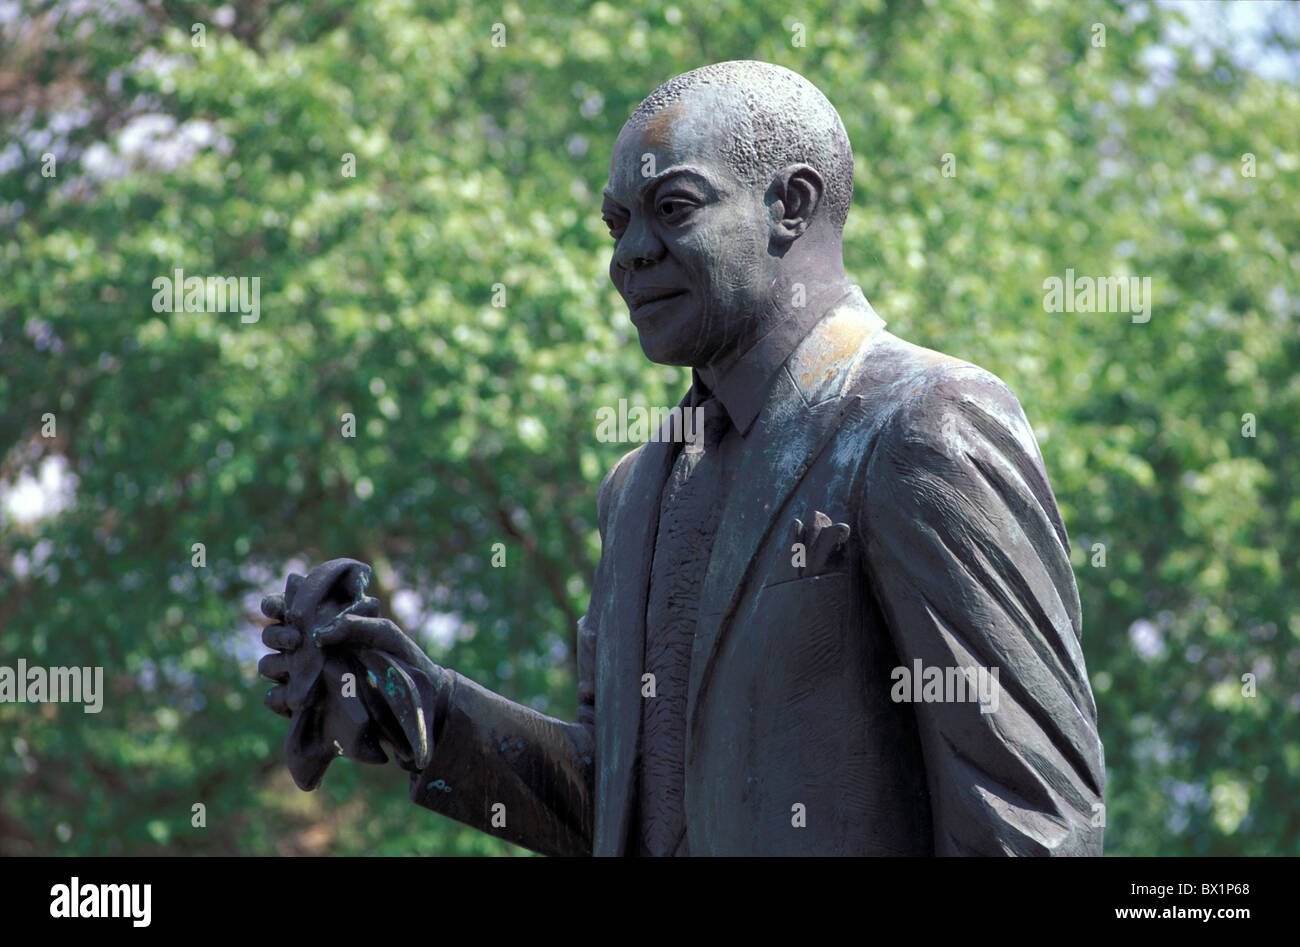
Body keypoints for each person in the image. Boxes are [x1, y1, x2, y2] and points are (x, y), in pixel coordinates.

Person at [260, 60, 1105, 856]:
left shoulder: (925, 422)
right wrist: (418, 707)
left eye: (673, 209)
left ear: (791, 204)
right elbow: (623, 806)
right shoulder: (635, 491)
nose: (628, 257)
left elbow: (1032, 819)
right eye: (617, 223)